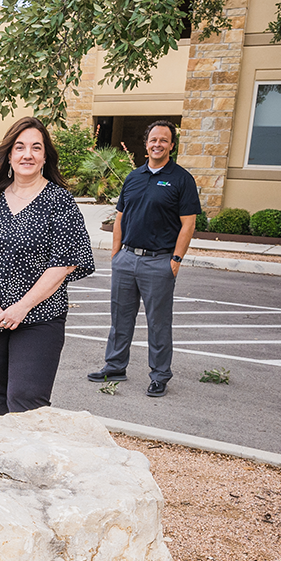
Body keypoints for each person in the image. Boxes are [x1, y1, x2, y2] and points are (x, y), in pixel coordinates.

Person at [0, 116, 94, 417]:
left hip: (38, 318)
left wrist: (22, 307)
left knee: (26, 402)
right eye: (19, 147)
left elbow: (65, 262)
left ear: (45, 156)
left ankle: (27, 465)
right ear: (9, 155)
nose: (27, 154)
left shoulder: (60, 202)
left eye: (35, 147)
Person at [87, 120, 200, 398]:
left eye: (164, 140)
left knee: (158, 323)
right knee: (120, 319)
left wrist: (175, 260)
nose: (157, 144)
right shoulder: (134, 177)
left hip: (159, 262)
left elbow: (188, 224)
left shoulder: (181, 179)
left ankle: (160, 375)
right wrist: (116, 254)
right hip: (126, 259)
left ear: (172, 145)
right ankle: (114, 366)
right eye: (153, 140)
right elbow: (120, 217)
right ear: (146, 144)